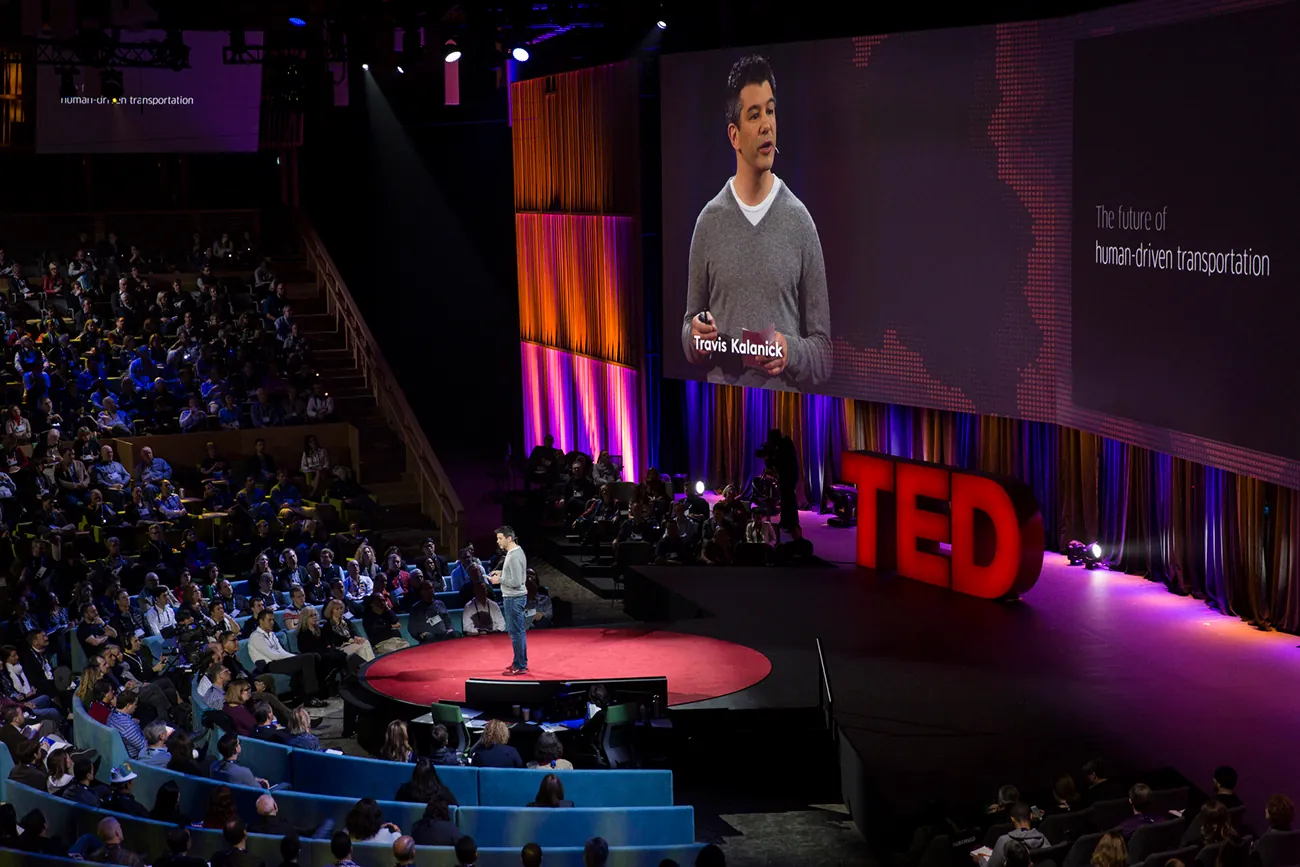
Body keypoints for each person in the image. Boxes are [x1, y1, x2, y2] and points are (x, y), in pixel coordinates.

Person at [680, 53, 831, 390]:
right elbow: (689, 330)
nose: (767, 125)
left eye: (771, 111)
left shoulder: (800, 222)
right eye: (754, 115)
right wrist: (697, 334)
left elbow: (824, 354)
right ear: (734, 136)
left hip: (784, 411)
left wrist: (790, 350)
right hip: (720, 412)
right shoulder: (708, 223)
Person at [491, 525, 529, 675]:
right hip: (516, 598)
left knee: (516, 633)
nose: (498, 542)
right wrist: (501, 572)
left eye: (500, 538)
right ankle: (519, 662)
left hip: (513, 599)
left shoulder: (512, 556)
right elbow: (514, 574)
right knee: (518, 632)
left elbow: (516, 581)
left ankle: (520, 665)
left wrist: (499, 579)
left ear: (509, 538)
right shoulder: (517, 552)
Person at [979, 803, 1048, 867]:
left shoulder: (1004, 841)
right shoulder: (1042, 837)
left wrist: (980, 860)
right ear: (1031, 816)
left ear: (1012, 819)